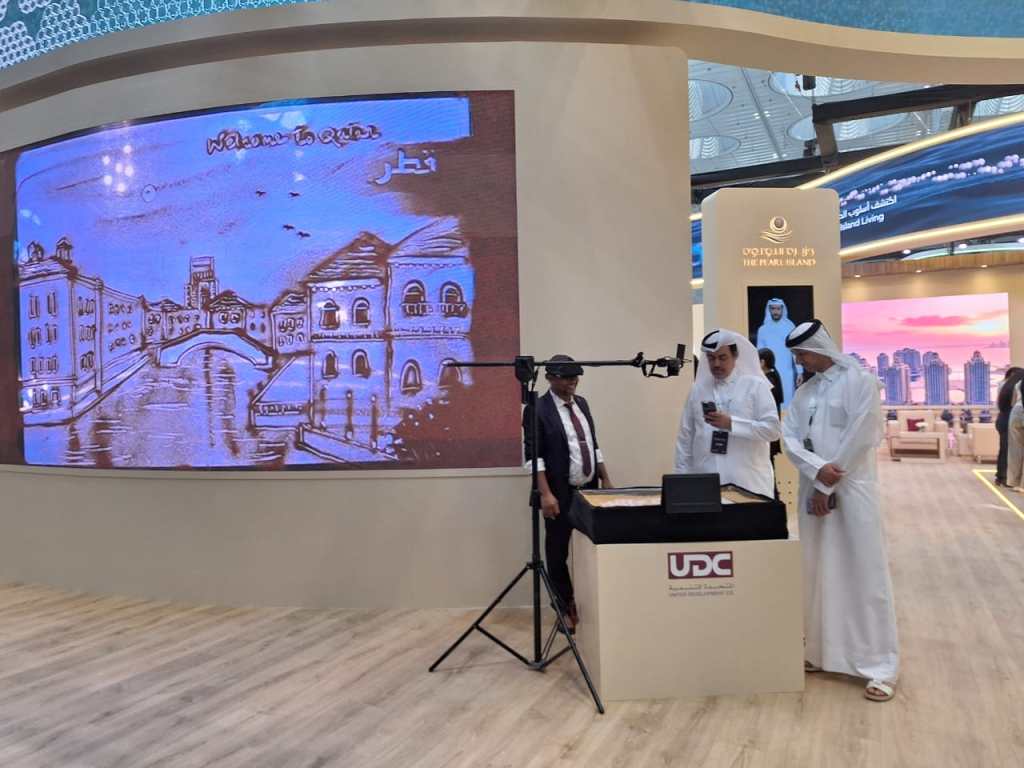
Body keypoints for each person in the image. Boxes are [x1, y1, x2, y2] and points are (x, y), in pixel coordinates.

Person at [781, 320, 899, 702]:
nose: (799, 361)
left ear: (820, 348)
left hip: (851, 489)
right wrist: (816, 473)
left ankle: (879, 666)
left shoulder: (860, 382)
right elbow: (790, 438)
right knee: (817, 571)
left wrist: (826, 483)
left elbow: (863, 435)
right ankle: (820, 653)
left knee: (863, 573)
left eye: (802, 353)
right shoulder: (805, 391)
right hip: (813, 490)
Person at [522, 354, 612, 632]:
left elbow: (593, 444)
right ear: (550, 377)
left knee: (591, 548)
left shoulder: (582, 403)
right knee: (557, 553)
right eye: (566, 377)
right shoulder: (537, 409)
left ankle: (592, 605)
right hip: (559, 494)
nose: (572, 381)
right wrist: (546, 494)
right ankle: (564, 607)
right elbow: (534, 457)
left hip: (589, 491)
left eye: (575, 376)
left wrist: (606, 478)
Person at [674, 330, 781, 498]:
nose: (716, 364)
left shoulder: (755, 386)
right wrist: (682, 482)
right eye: (711, 358)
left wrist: (732, 424)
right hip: (706, 484)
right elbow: (685, 439)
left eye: (722, 358)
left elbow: (772, 430)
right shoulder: (698, 390)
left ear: (735, 356)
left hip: (749, 485)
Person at [755, 298, 798, 405]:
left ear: (782, 310)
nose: (775, 311)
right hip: (769, 373)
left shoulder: (790, 327)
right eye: (773, 309)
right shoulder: (763, 329)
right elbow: (760, 354)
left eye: (778, 309)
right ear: (769, 310)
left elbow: (795, 351)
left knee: (788, 401)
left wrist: (800, 371)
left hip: (787, 372)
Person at [995, 367, 1023, 486]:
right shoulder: (1018, 384)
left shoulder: (1004, 385)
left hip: (1005, 417)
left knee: (1007, 449)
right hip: (1012, 416)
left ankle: (1003, 477)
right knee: (1012, 450)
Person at [759, 348, 785, 459]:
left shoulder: (769, 378)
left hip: (768, 424)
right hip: (769, 425)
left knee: (768, 457)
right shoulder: (773, 374)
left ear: (762, 362)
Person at [1005, 371, 1024, 490]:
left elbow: (1013, 402)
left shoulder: (1019, 383)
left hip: (1016, 411)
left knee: (1015, 449)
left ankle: (1014, 482)